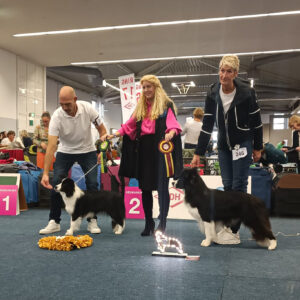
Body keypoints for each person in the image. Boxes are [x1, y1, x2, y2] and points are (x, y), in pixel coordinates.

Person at [191, 55, 263, 244]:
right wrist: (198, 152)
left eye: (229, 71)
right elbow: (207, 125)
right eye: (222, 70)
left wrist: (258, 147)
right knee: (228, 185)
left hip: (243, 143)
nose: (224, 75)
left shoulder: (247, 92)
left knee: (239, 186)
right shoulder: (213, 92)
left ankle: (234, 230)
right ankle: (230, 225)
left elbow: (256, 123)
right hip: (223, 145)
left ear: (235, 74)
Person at [108, 75, 183, 235]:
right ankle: (148, 223)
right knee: (145, 189)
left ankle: (162, 223)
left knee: (162, 189)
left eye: (149, 86)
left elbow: (173, 124)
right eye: (144, 87)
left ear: (156, 87)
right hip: (144, 150)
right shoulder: (140, 106)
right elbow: (129, 125)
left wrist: (171, 132)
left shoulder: (166, 105)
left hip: (161, 150)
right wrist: (114, 135)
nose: (146, 90)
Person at [39, 86, 108, 235]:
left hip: (87, 150)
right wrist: (45, 173)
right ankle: (54, 221)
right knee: (56, 180)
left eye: (68, 104)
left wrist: (102, 141)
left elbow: (102, 130)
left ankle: (92, 220)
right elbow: (51, 146)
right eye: (61, 104)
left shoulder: (88, 109)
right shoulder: (57, 117)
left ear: (75, 100)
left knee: (92, 183)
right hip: (65, 151)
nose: (64, 107)